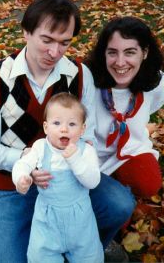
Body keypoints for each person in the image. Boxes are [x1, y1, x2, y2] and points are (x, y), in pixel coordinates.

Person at [0, 0, 134, 263]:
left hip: (71, 179)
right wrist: (27, 163)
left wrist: (79, 163)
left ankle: (88, 243)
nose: (54, 52)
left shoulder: (79, 76)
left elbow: (87, 134)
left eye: (64, 43)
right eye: (46, 40)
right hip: (15, 185)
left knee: (120, 205)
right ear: (26, 31)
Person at [86, 16, 164, 200]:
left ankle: (121, 182)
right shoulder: (87, 82)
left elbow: (150, 108)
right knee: (114, 215)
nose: (120, 62)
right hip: (91, 154)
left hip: (131, 148)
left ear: (145, 52)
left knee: (148, 183)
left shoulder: (159, 84)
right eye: (112, 52)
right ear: (104, 54)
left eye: (130, 52)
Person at [12, 92, 103, 263]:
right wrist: (21, 178)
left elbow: (93, 181)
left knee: (89, 257)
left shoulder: (86, 151)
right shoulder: (40, 147)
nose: (64, 129)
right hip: (47, 220)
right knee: (40, 257)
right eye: (57, 123)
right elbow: (22, 164)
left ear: (82, 129)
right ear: (46, 127)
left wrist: (74, 159)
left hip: (80, 221)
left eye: (72, 124)